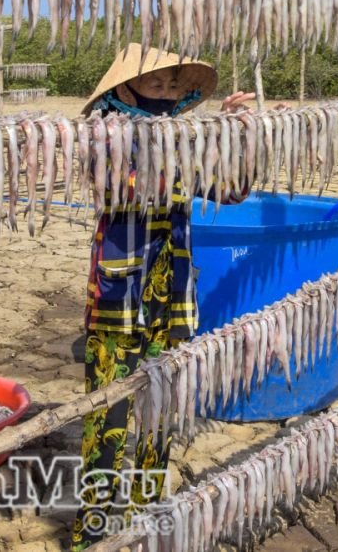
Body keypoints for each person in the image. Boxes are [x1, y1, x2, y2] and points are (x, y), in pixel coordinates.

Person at [71, 43, 255, 550]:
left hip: (171, 300)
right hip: (117, 298)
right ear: (125, 91)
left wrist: (233, 134)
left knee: (161, 412)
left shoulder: (181, 142)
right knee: (106, 420)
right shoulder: (102, 136)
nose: (166, 96)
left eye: (174, 88)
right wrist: (179, 150)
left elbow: (233, 192)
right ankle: (93, 529)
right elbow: (121, 191)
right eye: (156, 86)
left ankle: (148, 517)